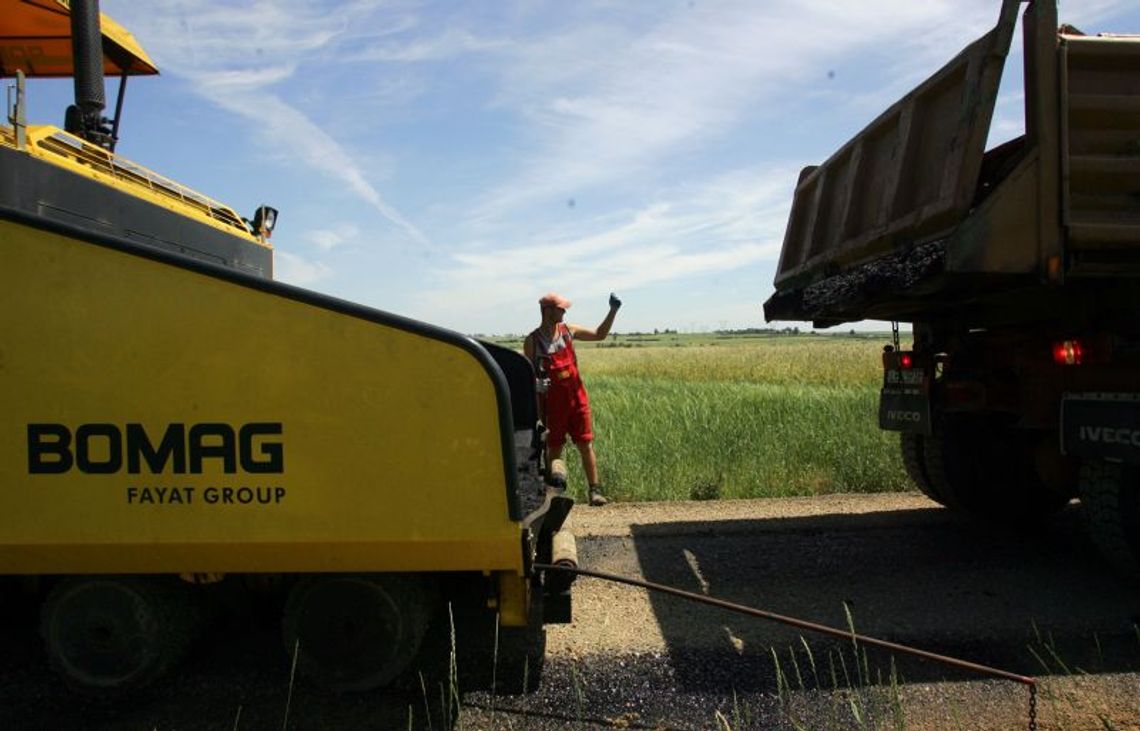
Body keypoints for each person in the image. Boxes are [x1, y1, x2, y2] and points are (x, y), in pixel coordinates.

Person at [524, 292, 621, 506]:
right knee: (554, 449)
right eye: (560, 309)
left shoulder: (569, 331)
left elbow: (600, 334)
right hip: (552, 406)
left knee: (585, 444)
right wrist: (535, 384)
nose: (564, 312)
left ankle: (595, 491)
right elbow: (526, 374)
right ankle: (553, 495)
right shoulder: (532, 341)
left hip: (577, 400)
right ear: (548, 311)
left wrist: (613, 310)